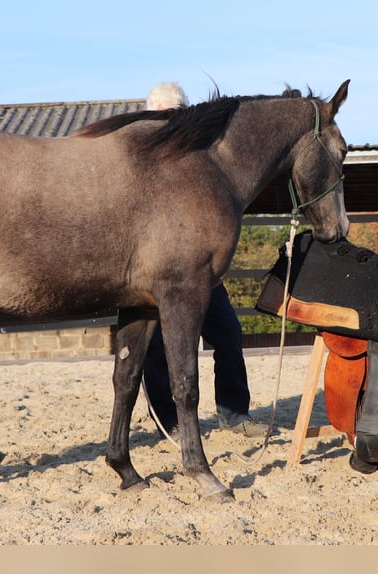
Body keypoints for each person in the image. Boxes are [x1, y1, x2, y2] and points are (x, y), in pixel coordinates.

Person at [141, 82, 268, 439]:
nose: (170, 118)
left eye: (176, 110)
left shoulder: (200, 154)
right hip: (153, 275)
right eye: (164, 112)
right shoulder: (140, 158)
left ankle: (234, 411)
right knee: (156, 349)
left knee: (228, 334)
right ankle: (169, 421)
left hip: (198, 270)